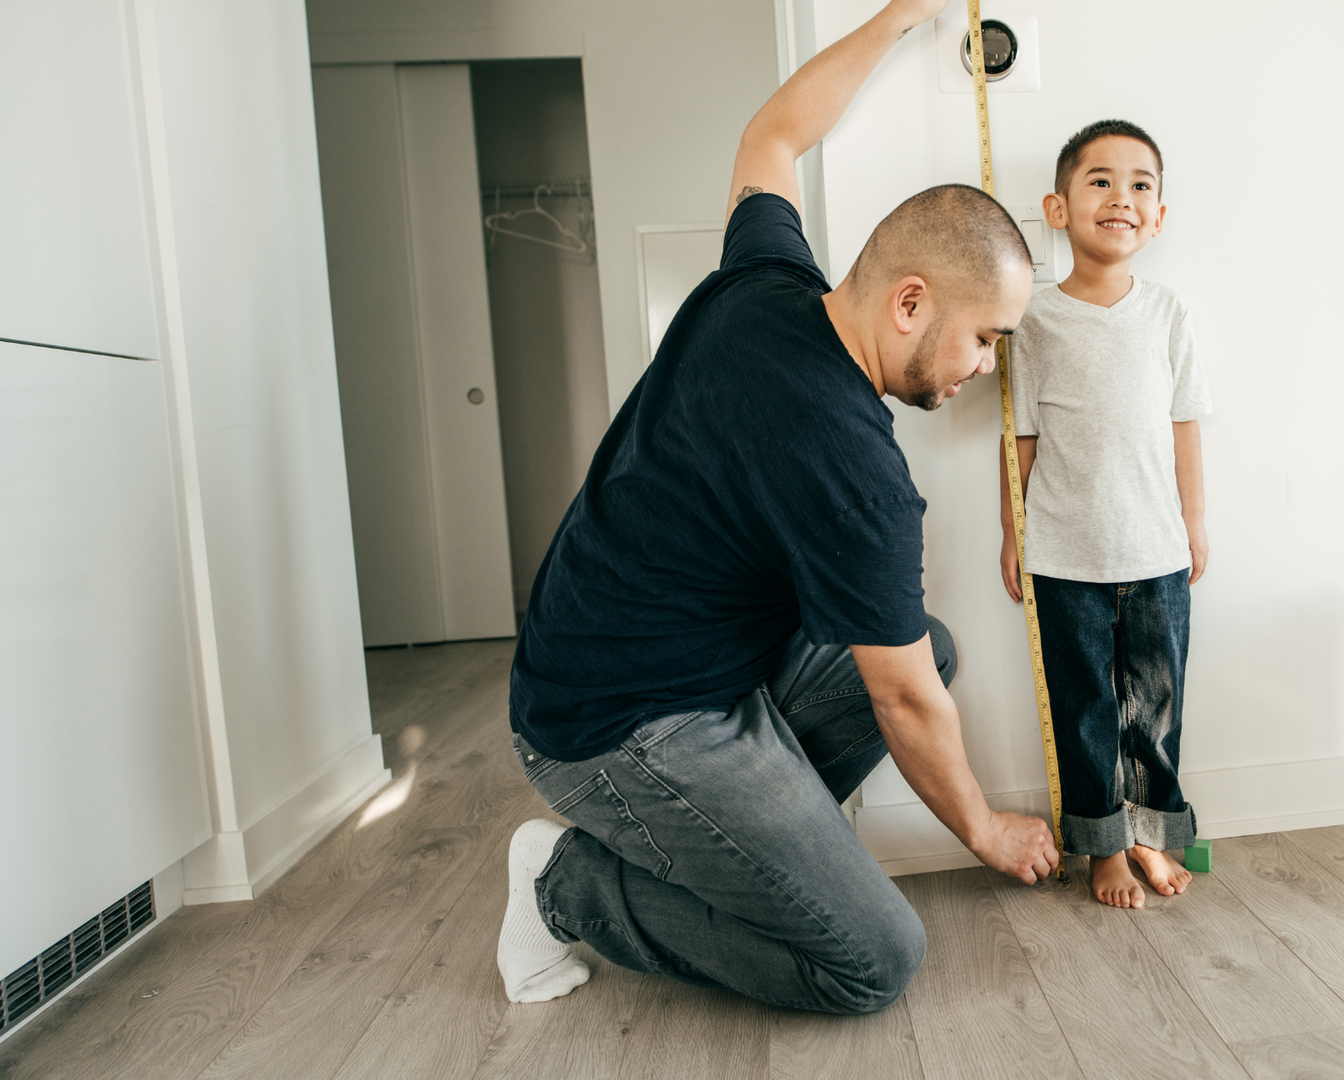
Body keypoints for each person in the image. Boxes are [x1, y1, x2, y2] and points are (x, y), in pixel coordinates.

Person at [493, 0, 1056, 1016]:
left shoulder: (766, 281)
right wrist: (986, 829)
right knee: (872, 961)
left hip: (618, 655)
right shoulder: (859, 475)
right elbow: (905, 705)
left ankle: (755, 849)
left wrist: (901, 15)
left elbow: (774, 135)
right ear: (912, 301)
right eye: (987, 337)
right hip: (613, 722)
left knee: (924, 643)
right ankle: (561, 886)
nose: (986, 366)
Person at [998, 120, 1212, 910]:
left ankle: (1155, 837)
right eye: (1100, 181)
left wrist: (1194, 523)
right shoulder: (1035, 319)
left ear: (1157, 217)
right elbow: (1017, 435)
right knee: (1084, 710)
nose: (1120, 197)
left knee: (1154, 710)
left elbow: (1185, 424)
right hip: (1064, 555)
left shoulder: (1168, 314)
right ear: (1058, 208)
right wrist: (1011, 534)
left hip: (1156, 553)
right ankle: (1103, 850)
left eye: (1140, 185)